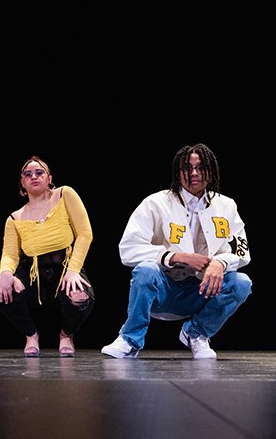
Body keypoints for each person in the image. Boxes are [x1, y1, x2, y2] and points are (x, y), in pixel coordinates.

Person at [102, 143, 252, 360]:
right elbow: (128, 248)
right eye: (187, 168)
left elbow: (242, 249)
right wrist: (174, 256)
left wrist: (220, 263)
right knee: (145, 270)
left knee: (241, 283)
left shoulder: (226, 206)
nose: (194, 173)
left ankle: (196, 333)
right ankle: (129, 339)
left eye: (200, 167)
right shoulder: (156, 203)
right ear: (177, 172)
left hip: (201, 290)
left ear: (211, 171)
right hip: (163, 289)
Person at [0, 156, 95, 358]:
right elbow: (10, 254)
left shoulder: (64, 194)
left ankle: (66, 335)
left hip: (66, 267)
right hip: (34, 274)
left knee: (81, 298)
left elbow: (85, 233)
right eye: (27, 174)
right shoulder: (15, 218)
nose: (34, 176)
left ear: (49, 178)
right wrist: (5, 273)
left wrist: (74, 270)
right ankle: (31, 335)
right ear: (22, 182)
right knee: (1, 292)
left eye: (39, 172)